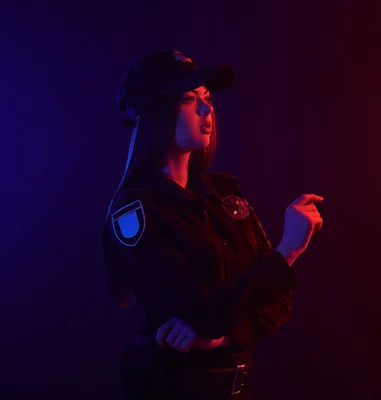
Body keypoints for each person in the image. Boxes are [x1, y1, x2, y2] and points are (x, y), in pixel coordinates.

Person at [102, 49, 324, 400]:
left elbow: (278, 302)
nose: (207, 110)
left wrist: (223, 335)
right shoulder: (136, 212)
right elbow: (200, 311)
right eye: (190, 99)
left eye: (207, 98)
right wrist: (288, 251)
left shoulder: (223, 194)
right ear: (156, 112)